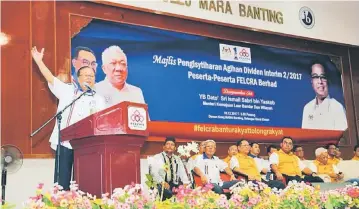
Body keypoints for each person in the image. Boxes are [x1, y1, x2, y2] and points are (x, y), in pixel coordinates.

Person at [31, 46, 106, 190]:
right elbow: (50, 78)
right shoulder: (67, 90)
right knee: (61, 183)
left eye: (92, 76)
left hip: (86, 146)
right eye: (86, 75)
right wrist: (39, 62)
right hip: (65, 143)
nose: (89, 78)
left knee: (81, 183)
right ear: (78, 78)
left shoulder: (99, 99)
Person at [302, 61, 347, 131]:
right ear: (312, 82)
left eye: (323, 77)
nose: (320, 81)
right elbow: (304, 139)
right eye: (315, 77)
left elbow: (344, 140)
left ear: (328, 80)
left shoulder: (337, 107)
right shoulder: (307, 108)